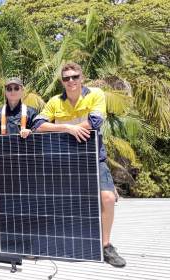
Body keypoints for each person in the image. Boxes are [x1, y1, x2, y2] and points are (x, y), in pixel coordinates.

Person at [35, 62, 126, 267]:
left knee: (108, 198)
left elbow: (94, 121)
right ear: (62, 81)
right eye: (66, 78)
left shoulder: (95, 94)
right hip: (64, 160)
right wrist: (69, 128)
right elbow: (37, 125)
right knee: (59, 202)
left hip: (94, 156)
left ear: (81, 78)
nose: (71, 81)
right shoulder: (54, 101)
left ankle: (106, 246)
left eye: (75, 77)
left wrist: (71, 128)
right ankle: (59, 241)